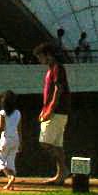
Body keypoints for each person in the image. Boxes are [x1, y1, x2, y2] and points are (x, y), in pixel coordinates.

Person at [34, 41, 71, 185]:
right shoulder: (51, 69)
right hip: (55, 111)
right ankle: (60, 174)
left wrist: (50, 110)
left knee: (45, 142)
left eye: (40, 57)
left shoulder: (57, 68)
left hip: (57, 111)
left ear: (47, 55)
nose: (40, 60)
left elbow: (58, 90)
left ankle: (64, 169)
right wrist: (44, 110)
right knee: (56, 144)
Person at [0, 90, 21, 190]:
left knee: (0, 161)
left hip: (5, 139)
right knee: (11, 161)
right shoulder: (18, 113)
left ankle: (10, 177)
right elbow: (20, 129)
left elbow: (0, 128)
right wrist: (21, 142)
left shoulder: (3, 113)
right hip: (15, 139)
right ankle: (11, 185)